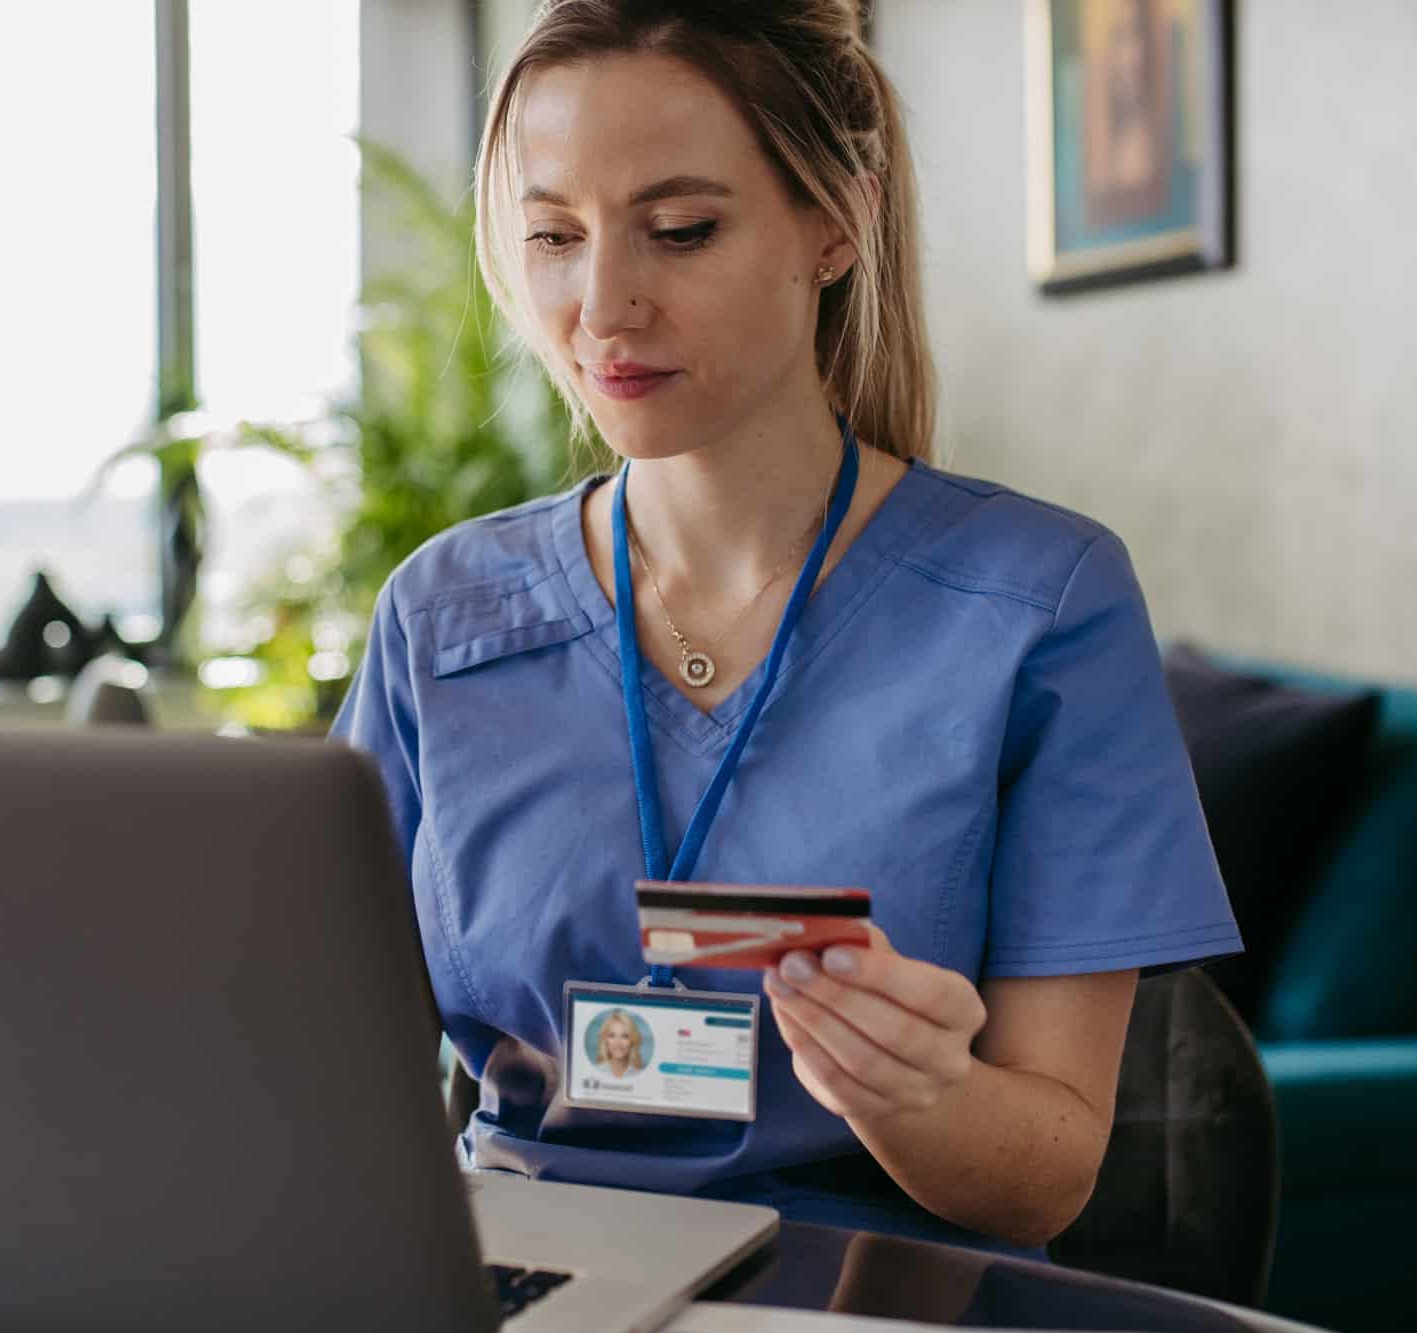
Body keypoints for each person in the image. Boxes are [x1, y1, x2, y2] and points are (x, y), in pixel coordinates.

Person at [332, 0, 1238, 1259]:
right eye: (553, 236)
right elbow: (318, 1067)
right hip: (513, 1282)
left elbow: (1045, 1185)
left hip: (869, 1299)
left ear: (835, 224)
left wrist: (916, 1092)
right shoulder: (442, 614)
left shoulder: (1043, 604)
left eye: (681, 231)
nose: (602, 307)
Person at [593, 1008, 648, 1079]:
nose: (618, 1043)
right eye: (612, 1035)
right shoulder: (596, 1072)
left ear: (632, 1041)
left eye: (625, 1036)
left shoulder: (641, 1074)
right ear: (605, 1040)